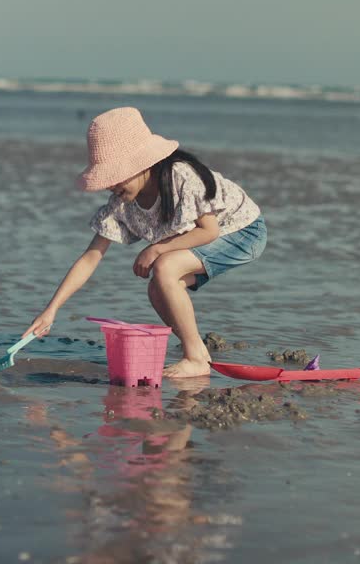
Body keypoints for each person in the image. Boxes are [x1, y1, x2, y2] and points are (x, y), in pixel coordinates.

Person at [23, 107, 266, 378]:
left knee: (165, 267)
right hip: (210, 236)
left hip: (244, 231)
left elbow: (208, 232)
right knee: (157, 289)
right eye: (106, 178)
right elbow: (91, 257)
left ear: (142, 164)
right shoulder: (121, 204)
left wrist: (157, 248)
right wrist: (51, 310)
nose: (111, 185)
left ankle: (195, 357)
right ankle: (199, 353)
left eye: (116, 175)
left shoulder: (181, 176)